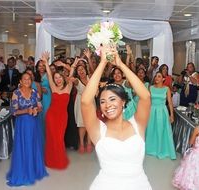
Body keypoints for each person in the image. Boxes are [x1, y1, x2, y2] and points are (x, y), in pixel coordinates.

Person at [81, 46, 152, 190]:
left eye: (112, 99)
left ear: (123, 102)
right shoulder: (98, 130)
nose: (107, 105)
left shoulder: (137, 125)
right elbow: (85, 101)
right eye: (102, 101)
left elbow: (145, 96)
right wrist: (102, 63)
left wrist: (121, 64)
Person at [6, 72, 48, 186]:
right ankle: (24, 171)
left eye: (29, 79)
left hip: (34, 123)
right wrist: (26, 111)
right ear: (20, 81)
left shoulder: (34, 92)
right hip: (23, 125)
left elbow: (40, 106)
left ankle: (33, 170)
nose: (27, 81)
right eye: (24, 79)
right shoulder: (16, 93)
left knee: (33, 145)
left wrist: (36, 110)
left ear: (31, 80)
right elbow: (13, 111)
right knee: (24, 146)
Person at [41, 52, 74, 169]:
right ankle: (50, 160)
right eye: (56, 78)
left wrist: (65, 65)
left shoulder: (68, 87)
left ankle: (59, 161)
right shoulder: (53, 87)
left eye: (59, 77)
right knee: (51, 138)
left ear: (63, 78)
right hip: (51, 116)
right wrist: (45, 62)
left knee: (59, 138)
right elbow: (49, 75)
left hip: (62, 117)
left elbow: (72, 72)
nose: (57, 79)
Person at [145, 71, 176, 160]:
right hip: (152, 110)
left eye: (159, 76)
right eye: (156, 76)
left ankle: (161, 150)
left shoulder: (166, 89)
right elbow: (148, 102)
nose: (156, 78)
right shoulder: (150, 88)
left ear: (163, 79)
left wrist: (172, 115)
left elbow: (170, 103)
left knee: (161, 130)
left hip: (162, 111)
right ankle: (150, 149)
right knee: (151, 129)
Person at [72, 57, 93, 153]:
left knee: (90, 123)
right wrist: (73, 66)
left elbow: (93, 70)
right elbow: (70, 78)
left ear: (86, 70)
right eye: (78, 70)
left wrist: (88, 58)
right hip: (80, 102)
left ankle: (89, 143)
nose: (81, 71)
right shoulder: (77, 80)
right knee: (81, 124)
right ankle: (81, 143)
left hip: (91, 102)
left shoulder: (90, 78)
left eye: (82, 69)